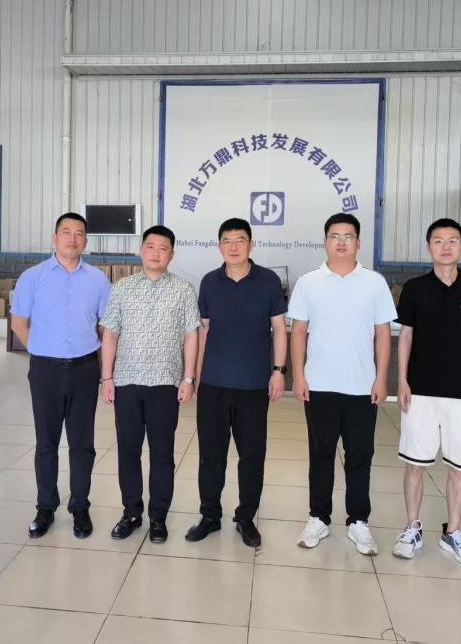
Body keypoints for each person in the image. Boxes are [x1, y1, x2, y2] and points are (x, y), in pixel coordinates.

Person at [288, 213, 397, 554]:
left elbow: (383, 333)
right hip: (319, 386)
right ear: (325, 242)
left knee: (360, 455)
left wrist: (381, 378)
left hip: (362, 386)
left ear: (358, 243)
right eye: (334, 236)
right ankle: (319, 517)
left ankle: (358, 521)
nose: (341, 242)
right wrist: (299, 376)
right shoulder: (309, 283)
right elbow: (298, 332)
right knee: (320, 454)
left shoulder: (374, 283)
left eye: (348, 236)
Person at [393, 217, 461, 566]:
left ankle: (453, 532)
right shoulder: (414, 289)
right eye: (438, 241)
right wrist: (402, 380)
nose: (446, 246)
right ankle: (412, 528)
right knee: (415, 464)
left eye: (452, 240)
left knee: (460, 467)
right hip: (421, 392)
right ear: (429, 248)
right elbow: (405, 336)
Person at [186, 218, 287, 548]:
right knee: (210, 456)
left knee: (252, 455)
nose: (233, 246)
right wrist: (195, 377)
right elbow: (203, 331)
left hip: (253, 386)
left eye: (240, 240)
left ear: (251, 245)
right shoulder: (209, 282)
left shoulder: (268, 281)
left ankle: (245, 517)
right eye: (227, 241)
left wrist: (278, 371)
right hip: (213, 384)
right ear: (219, 247)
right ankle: (209, 515)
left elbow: (279, 328)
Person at [10, 212, 110, 540]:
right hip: (45, 371)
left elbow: (105, 326)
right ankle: (45, 507)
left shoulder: (98, 280)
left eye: (79, 233)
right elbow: (18, 323)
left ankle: (80, 507)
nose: (72, 239)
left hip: (84, 370)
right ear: (54, 238)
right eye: (66, 232)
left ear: (86, 241)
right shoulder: (32, 277)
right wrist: (41, 349)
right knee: (46, 443)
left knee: (83, 444)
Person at [99, 225, 201, 543]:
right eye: (151, 246)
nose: (156, 253)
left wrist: (188, 378)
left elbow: (192, 335)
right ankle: (131, 512)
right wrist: (107, 377)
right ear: (141, 250)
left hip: (165, 384)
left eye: (163, 248)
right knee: (128, 450)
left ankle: (158, 517)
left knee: (162, 453)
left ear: (172, 254)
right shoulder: (122, 288)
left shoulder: (184, 290)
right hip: (127, 382)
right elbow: (110, 334)